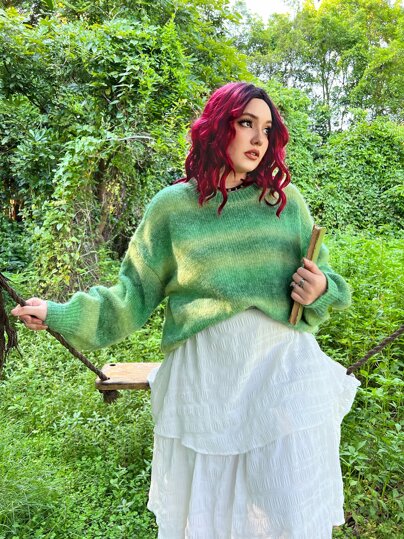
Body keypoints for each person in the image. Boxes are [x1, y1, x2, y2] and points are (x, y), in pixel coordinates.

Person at [12, 82, 360, 539]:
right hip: (205, 387)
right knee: (209, 517)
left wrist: (320, 289)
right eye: (246, 123)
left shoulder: (285, 204)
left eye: (267, 129)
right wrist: (60, 313)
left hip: (283, 380)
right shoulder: (172, 208)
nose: (258, 139)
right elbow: (131, 296)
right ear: (219, 127)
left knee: (286, 510)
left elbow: (328, 281)